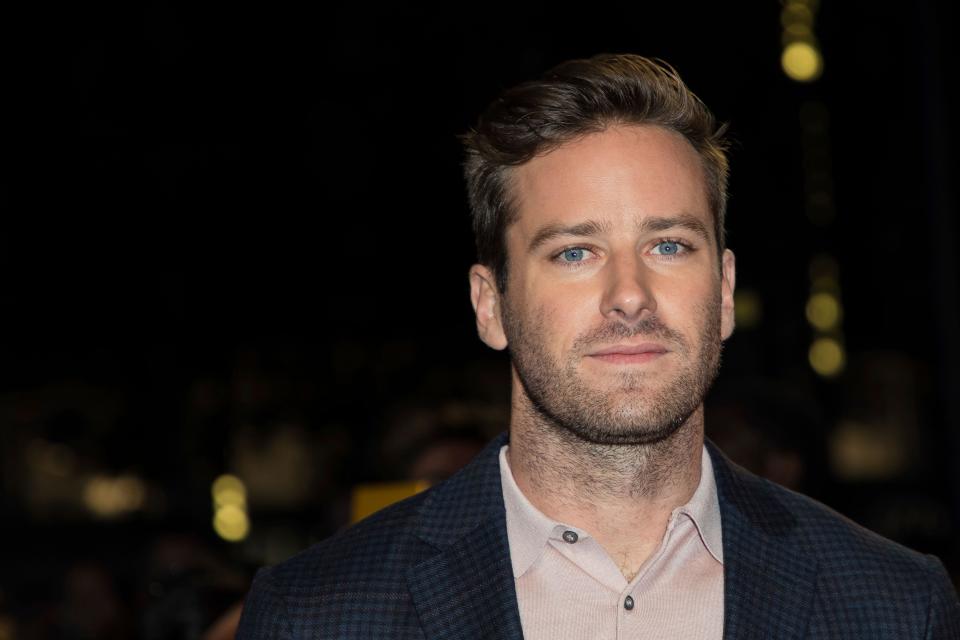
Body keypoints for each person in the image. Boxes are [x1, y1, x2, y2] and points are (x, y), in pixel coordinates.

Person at [237, 54, 960, 639]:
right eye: (575, 252)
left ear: (725, 290)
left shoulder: (894, 605)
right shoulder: (317, 614)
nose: (630, 294)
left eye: (670, 245)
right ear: (491, 306)